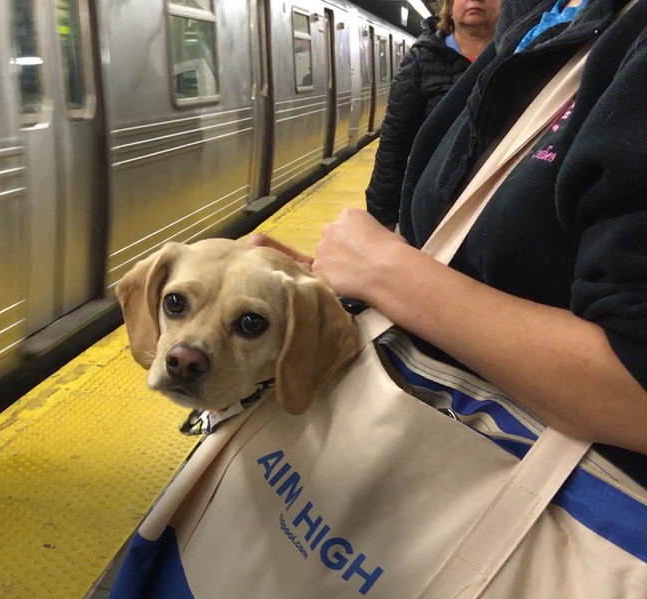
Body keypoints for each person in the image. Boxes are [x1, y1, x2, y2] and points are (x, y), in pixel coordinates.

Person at [253, 0, 647, 484]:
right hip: (436, 451)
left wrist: (387, 270)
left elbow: (635, 393)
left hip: (549, 504)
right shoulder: (543, 23)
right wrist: (342, 292)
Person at [365, 0, 501, 229]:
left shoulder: (521, 53)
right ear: (449, 5)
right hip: (431, 204)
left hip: (497, 203)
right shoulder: (421, 60)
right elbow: (394, 141)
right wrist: (382, 218)